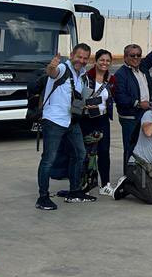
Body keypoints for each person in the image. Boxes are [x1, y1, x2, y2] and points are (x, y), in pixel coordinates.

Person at [35, 45, 93, 210]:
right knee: (48, 160)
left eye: (85, 58)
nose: (81, 61)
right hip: (54, 120)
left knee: (80, 153)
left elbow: (74, 97)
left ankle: (74, 191)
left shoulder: (80, 75)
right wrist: (52, 66)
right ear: (72, 55)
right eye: (79, 57)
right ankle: (43, 197)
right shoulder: (62, 68)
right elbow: (52, 73)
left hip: (71, 121)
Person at [113, 39, 152, 172]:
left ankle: (141, 176)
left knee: (144, 146)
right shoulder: (120, 74)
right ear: (125, 57)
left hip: (144, 115)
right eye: (132, 55)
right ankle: (128, 177)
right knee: (131, 147)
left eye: (138, 55)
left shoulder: (143, 68)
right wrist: (138, 104)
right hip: (130, 118)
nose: (136, 58)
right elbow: (120, 97)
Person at [82, 48, 114, 196]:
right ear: (95, 61)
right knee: (87, 153)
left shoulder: (110, 80)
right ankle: (86, 185)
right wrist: (85, 105)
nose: (104, 63)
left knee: (104, 151)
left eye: (108, 61)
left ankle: (105, 184)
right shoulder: (86, 78)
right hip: (87, 119)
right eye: (102, 60)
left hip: (103, 118)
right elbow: (77, 97)